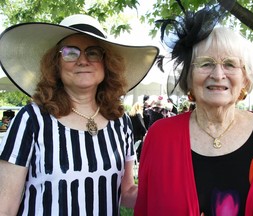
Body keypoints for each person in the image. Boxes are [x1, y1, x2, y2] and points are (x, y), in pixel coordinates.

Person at [134, 1, 253, 215]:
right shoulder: (160, 136)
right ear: (189, 76)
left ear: (245, 78)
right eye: (206, 63)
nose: (217, 74)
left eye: (230, 64)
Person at [0, 14, 159, 215]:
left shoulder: (121, 122)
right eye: (70, 53)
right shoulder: (31, 120)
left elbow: (126, 193)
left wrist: (168, 185)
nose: (83, 60)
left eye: (93, 53)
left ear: (106, 63)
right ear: (55, 64)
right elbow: (4, 206)